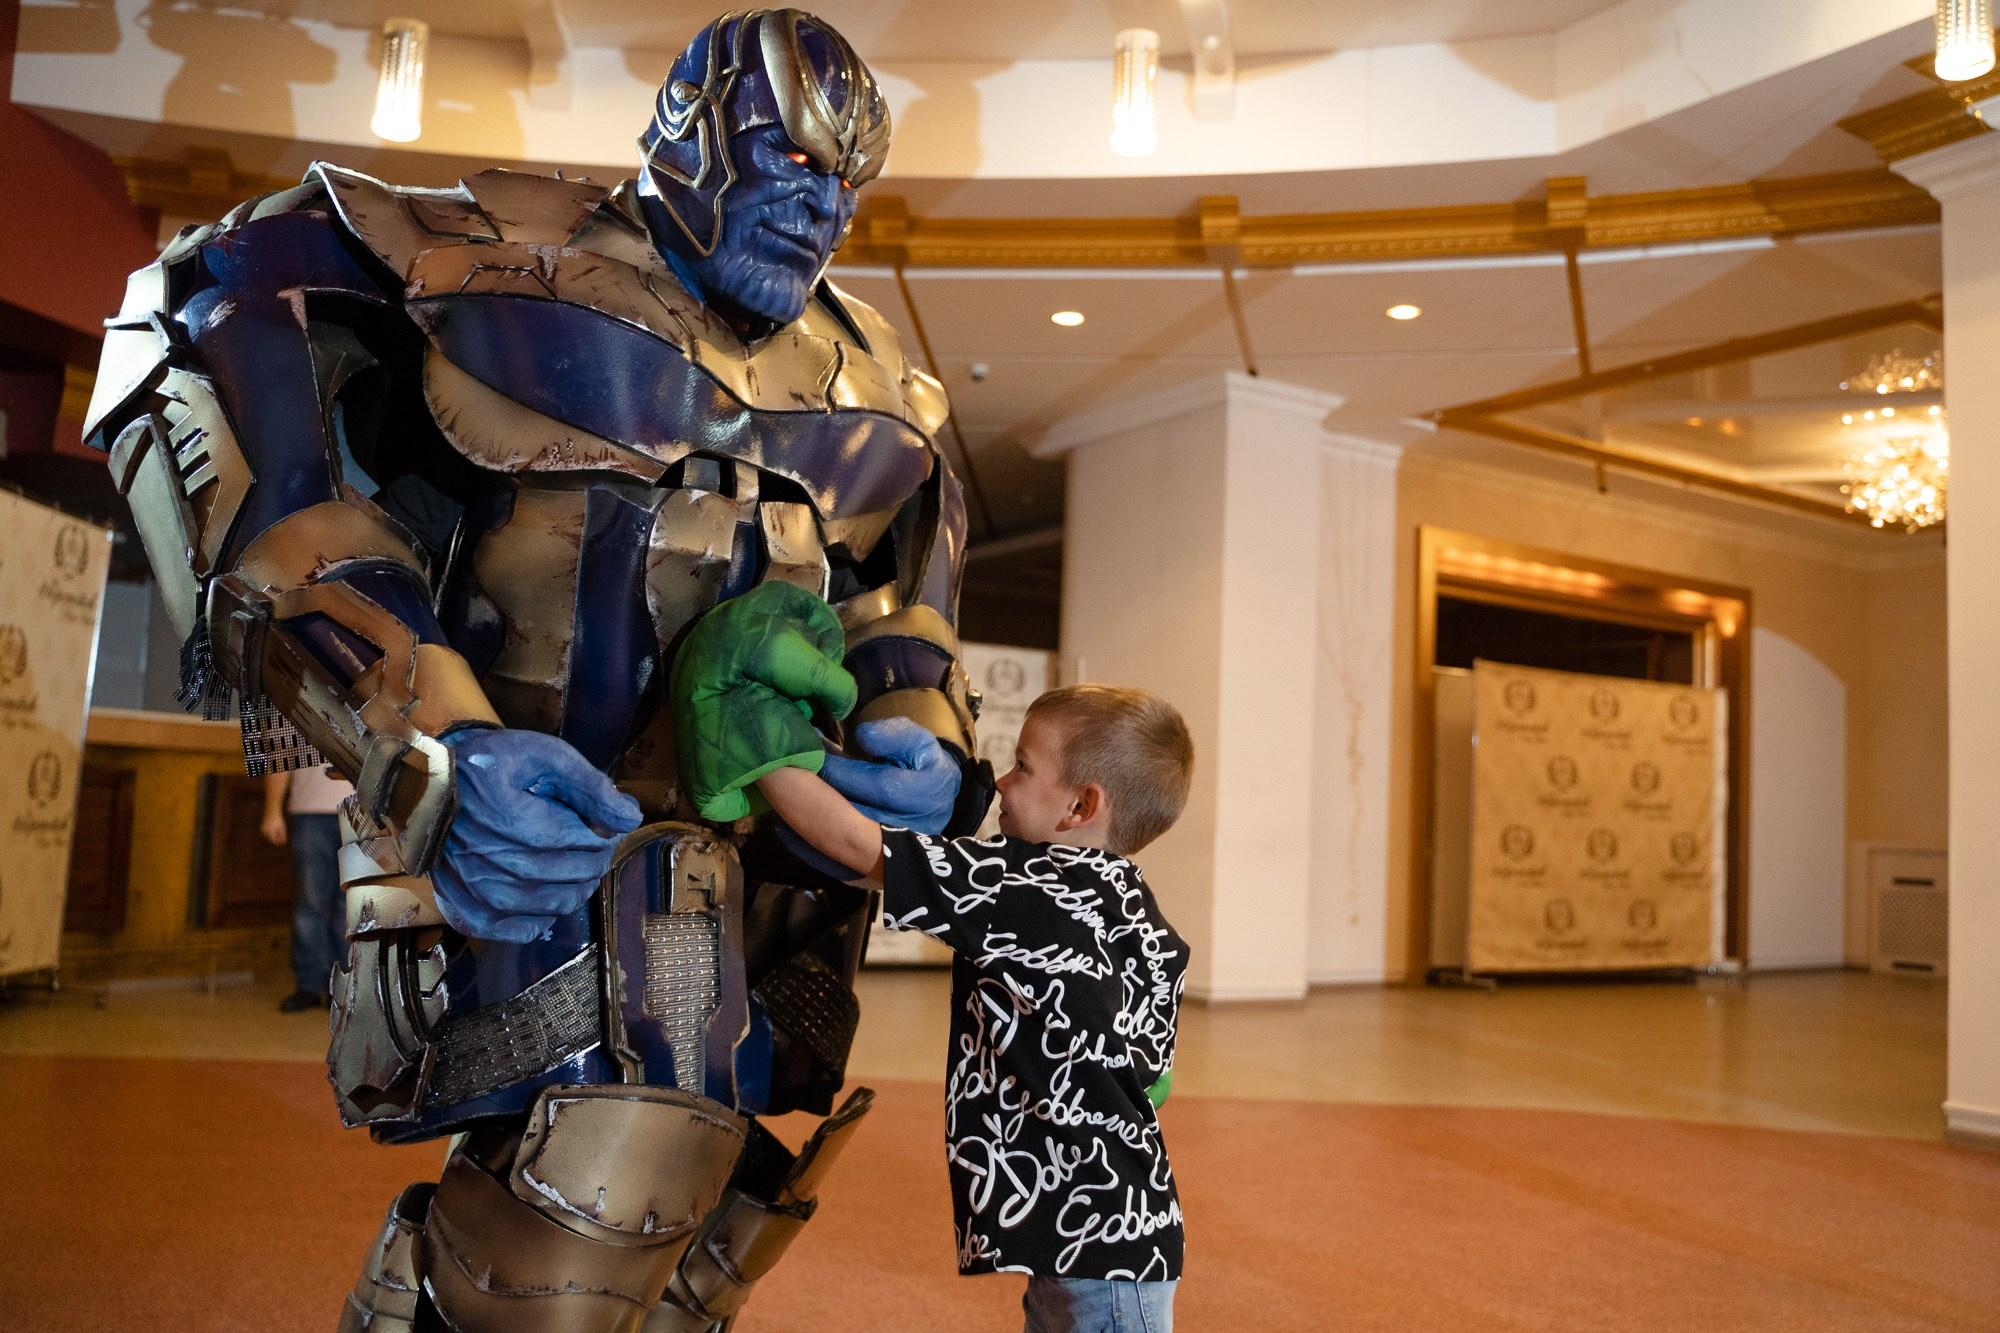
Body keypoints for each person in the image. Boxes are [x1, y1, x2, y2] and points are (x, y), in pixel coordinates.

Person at [85, 10, 987, 1328]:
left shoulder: (876, 379)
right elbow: (199, 325)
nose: (823, 206)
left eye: (847, 180)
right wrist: (426, 739)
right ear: (690, 132)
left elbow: (895, 599)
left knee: (699, 1242)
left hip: (752, 884)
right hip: (527, 832)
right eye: (792, 160)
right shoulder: (486, 256)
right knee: (567, 1239)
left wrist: (921, 735)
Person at [735, 664, 1195, 1333]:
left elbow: (858, 847)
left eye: (1023, 767)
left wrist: (755, 744)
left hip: (1095, 1247)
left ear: (1080, 807)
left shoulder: (1029, 887)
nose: (1002, 782)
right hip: (1121, 1229)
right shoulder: (1135, 909)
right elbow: (1154, 1074)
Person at [260, 766, 355, 1012]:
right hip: (309, 811)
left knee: (352, 904)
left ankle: (345, 988)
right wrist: (272, 810)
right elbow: (279, 757)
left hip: (362, 812)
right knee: (310, 903)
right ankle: (308, 986)